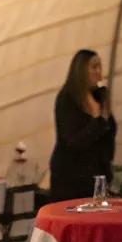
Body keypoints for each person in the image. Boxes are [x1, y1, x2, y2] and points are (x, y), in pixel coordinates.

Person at [48, 50, 117, 203]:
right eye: (94, 67)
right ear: (81, 70)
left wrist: (104, 116)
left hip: (96, 176)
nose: (98, 72)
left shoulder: (99, 96)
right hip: (71, 179)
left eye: (100, 67)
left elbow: (110, 132)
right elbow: (74, 141)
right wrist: (97, 119)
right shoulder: (67, 99)